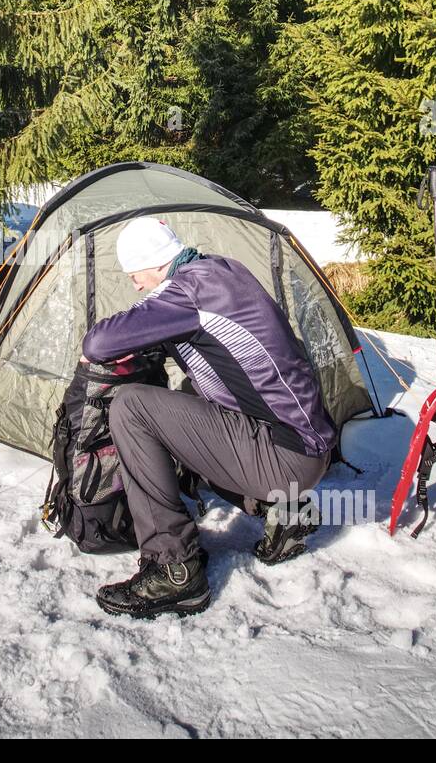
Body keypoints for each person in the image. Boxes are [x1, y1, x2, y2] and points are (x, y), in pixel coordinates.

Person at [81, 216, 336, 619]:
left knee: (132, 406)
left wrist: (120, 343)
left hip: (284, 455)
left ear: (156, 263)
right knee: (185, 400)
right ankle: (284, 513)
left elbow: (99, 342)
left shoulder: (189, 291)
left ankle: (174, 569)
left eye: (135, 275)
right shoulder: (220, 269)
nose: (135, 285)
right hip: (302, 446)